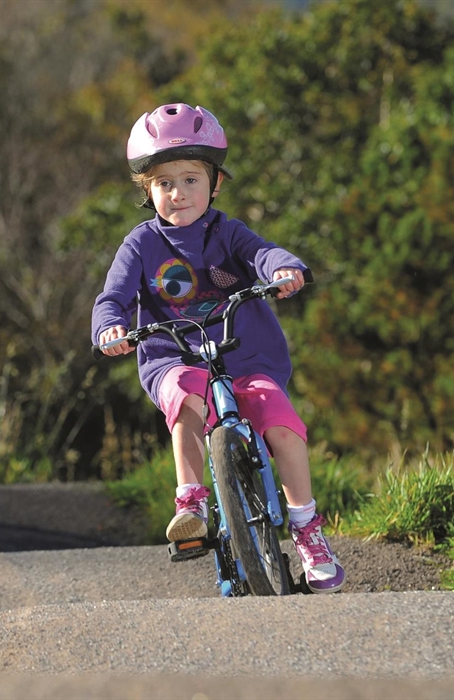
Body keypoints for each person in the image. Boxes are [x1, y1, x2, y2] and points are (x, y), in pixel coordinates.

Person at [92, 103, 345, 593]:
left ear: (216, 182)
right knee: (186, 394)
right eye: (164, 183)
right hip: (173, 356)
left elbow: (263, 253)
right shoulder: (140, 245)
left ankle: (308, 531)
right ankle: (192, 502)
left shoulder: (227, 232)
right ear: (147, 190)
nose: (178, 193)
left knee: (284, 431)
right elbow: (114, 297)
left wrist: (283, 269)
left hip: (244, 355)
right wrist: (109, 328)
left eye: (190, 179)